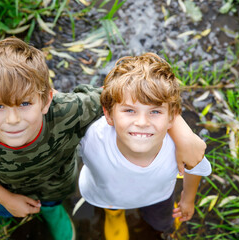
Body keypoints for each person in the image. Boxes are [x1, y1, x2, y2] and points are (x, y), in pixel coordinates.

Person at [0, 36, 206, 240]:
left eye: (24, 104)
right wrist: (4, 197)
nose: (12, 120)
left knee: (53, 202)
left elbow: (126, 95)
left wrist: (182, 130)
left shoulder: (69, 110)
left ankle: (53, 211)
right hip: (3, 187)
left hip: (57, 185)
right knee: (4, 209)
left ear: (46, 100)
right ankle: (7, 211)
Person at [78, 53, 212, 240]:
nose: (142, 122)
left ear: (171, 118)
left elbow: (195, 166)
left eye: (155, 111)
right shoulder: (91, 137)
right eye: (129, 110)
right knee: (114, 214)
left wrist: (187, 199)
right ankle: (115, 215)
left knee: (162, 224)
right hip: (110, 197)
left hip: (158, 196)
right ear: (108, 115)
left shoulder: (180, 146)